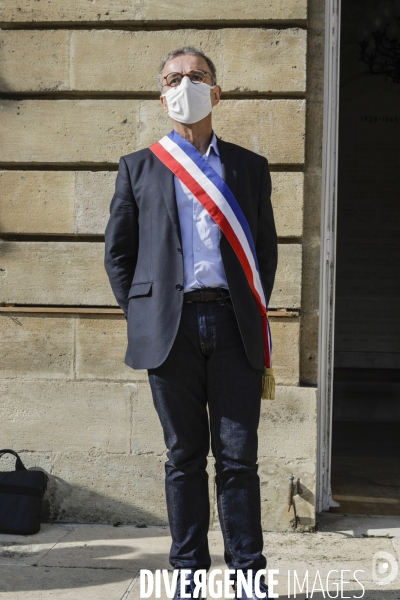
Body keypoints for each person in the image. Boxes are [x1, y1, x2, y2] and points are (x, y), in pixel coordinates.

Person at [104, 46, 278, 600]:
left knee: (237, 458)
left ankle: (249, 577)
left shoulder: (250, 167)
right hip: (170, 330)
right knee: (183, 458)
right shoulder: (138, 166)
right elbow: (118, 255)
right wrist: (144, 315)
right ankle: (188, 578)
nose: (185, 84)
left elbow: (265, 253)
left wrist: (250, 307)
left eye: (196, 76)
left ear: (216, 91)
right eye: (173, 78)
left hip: (232, 326)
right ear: (162, 96)